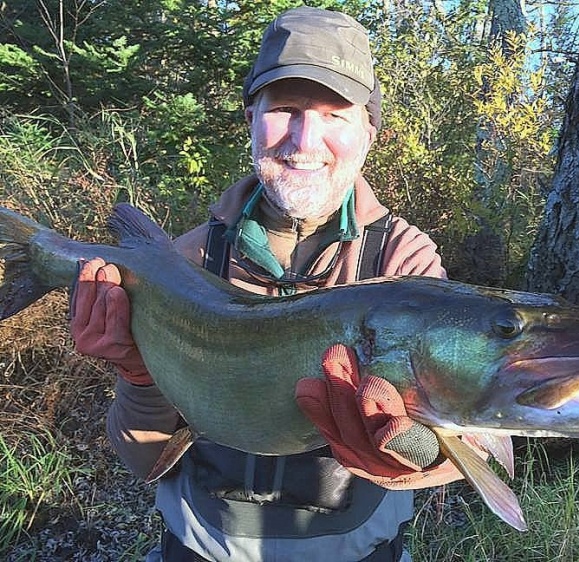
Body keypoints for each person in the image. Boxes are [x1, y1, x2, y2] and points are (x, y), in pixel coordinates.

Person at [70, 7, 465, 562]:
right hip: (203, 547)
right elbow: (142, 461)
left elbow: (453, 450)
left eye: (336, 115)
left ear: (369, 132)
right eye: (285, 109)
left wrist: (418, 455)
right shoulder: (190, 258)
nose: (305, 139)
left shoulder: (404, 262)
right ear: (250, 117)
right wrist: (140, 379)